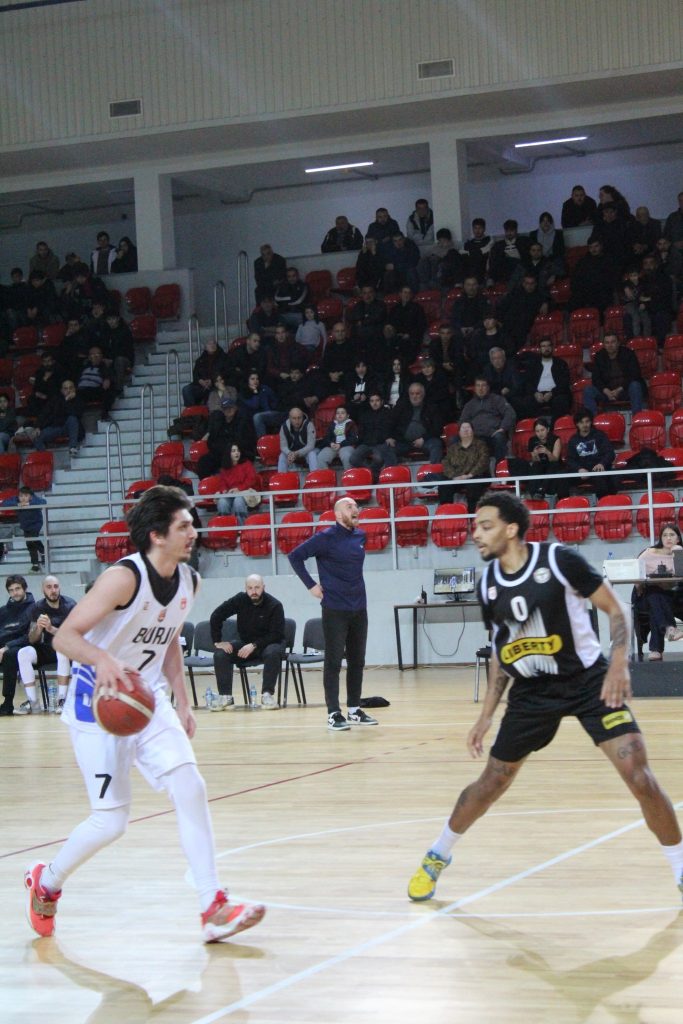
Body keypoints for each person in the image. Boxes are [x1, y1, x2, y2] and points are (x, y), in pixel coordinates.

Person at [407, 491, 683, 903]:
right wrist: (486, 715)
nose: (475, 534)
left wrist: (619, 663)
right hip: (532, 691)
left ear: (511, 529)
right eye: (475, 527)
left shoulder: (558, 561)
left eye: (485, 526)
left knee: (639, 776)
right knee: (492, 781)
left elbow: (616, 610)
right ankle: (437, 854)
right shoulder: (488, 585)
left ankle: (680, 868)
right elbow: (501, 652)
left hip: (588, 682)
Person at [24, 485, 265, 941]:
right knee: (110, 822)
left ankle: (212, 905)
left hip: (147, 698)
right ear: (157, 535)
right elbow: (66, 637)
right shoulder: (123, 578)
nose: (193, 532)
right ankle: (47, 882)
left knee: (190, 786)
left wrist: (183, 699)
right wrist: (103, 660)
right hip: (97, 704)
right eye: (184, 525)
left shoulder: (189, 581)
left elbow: (168, 637)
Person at [289, 497, 378, 731]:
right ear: (338, 514)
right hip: (335, 608)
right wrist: (311, 585)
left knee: (357, 660)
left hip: (359, 607)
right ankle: (333, 713)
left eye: (356, 506)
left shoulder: (360, 536)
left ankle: (354, 709)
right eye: (350, 507)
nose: (355, 509)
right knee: (333, 661)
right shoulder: (325, 538)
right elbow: (295, 557)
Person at [209, 574, 285, 709]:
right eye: (250, 588)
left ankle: (267, 695)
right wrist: (218, 641)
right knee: (220, 654)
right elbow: (216, 615)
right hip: (245, 644)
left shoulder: (275, 605)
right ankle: (225, 696)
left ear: (263, 587)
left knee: (273, 652)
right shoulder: (240, 599)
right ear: (246, 588)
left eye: (257, 587)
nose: (254, 591)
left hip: (267, 645)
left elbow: (276, 635)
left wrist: (254, 645)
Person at [15, 574, 76, 714]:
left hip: (68, 648)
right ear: (43, 590)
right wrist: (38, 628)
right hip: (47, 648)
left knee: (61, 649)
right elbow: (32, 639)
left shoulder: (70, 605)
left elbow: (73, 635)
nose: (53, 590)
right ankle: (33, 702)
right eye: (49, 587)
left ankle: (62, 699)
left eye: (56, 586)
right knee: (23, 653)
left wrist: (51, 628)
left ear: (59, 588)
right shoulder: (37, 607)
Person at [634, 523, 683, 662]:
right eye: (665, 535)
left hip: (672, 597)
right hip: (646, 596)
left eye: (672, 535)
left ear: (678, 538)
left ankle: (656, 649)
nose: (668, 538)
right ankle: (669, 629)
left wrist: (678, 553)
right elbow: (636, 574)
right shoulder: (649, 553)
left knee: (657, 604)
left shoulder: (680, 553)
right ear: (660, 538)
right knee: (654, 593)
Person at [423, 421, 490, 512]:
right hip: (457, 476)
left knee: (474, 486)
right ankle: (447, 513)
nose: (466, 430)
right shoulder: (453, 447)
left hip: (475, 475)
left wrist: (469, 475)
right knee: (445, 485)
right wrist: (454, 476)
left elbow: (483, 462)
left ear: (473, 431)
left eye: (468, 428)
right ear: (459, 432)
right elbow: (446, 463)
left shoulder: (481, 445)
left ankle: (472, 514)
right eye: (463, 428)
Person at [582, 333, 645, 415]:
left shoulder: (628, 353)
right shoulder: (599, 356)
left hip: (624, 390)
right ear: (604, 345)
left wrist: (618, 390)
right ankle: (591, 420)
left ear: (618, 343)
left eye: (613, 342)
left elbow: (635, 375)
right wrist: (606, 391)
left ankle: (637, 418)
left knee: (635, 385)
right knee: (588, 390)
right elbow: (596, 379)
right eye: (607, 343)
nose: (610, 345)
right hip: (608, 392)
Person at [0, 575, 36, 717]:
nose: (15, 593)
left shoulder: (35, 608)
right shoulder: (3, 611)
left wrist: (6, 647)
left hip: (22, 646)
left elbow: (29, 637)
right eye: (11, 590)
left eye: (18, 589)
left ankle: (7, 703)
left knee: (10, 655)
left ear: (24, 588)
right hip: (3, 646)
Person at [565, 407, 616, 500]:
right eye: (581, 422)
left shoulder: (600, 435)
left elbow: (610, 453)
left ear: (591, 422)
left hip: (597, 470)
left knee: (603, 482)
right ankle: (566, 505)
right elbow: (569, 459)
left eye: (587, 421)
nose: (585, 425)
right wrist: (579, 469)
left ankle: (603, 505)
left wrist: (602, 463)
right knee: (562, 480)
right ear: (577, 424)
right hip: (581, 472)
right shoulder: (573, 440)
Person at [1, 487, 47, 572]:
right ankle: (35, 563)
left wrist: (29, 504)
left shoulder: (35, 499)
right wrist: (17, 504)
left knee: (32, 540)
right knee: (29, 544)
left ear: (30, 496)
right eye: (21, 496)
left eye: (26, 496)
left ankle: (42, 553)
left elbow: (44, 502)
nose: (23, 498)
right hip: (25, 526)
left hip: (36, 524)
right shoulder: (16, 500)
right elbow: (4, 503)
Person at [215, 443, 260, 524]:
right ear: (228, 453)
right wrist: (224, 490)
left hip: (245, 492)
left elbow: (251, 480)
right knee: (222, 502)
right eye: (233, 451)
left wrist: (239, 489)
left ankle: (241, 527)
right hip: (230, 494)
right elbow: (222, 483)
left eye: (238, 451)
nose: (237, 453)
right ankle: (226, 527)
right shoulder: (224, 468)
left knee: (238, 501)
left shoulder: (247, 464)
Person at [316, 405, 358, 470]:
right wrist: (331, 443)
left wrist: (340, 444)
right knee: (321, 457)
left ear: (347, 416)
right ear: (335, 416)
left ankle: (348, 475)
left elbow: (353, 439)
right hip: (333, 446)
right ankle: (326, 475)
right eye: (338, 413)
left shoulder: (351, 424)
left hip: (346, 446)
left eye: (342, 413)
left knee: (346, 456)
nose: (340, 415)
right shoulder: (332, 424)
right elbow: (327, 437)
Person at [277, 406, 317, 474]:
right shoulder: (284, 427)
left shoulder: (309, 425)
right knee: (282, 456)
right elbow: (283, 446)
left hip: (305, 452)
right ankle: (281, 478)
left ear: (302, 417)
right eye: (294, 418)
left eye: (299, 418)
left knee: (312, 454)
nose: (297, 421)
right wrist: (290, 453)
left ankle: (315, 476)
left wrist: (297, 453)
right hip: (291, 453)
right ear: (290, 418)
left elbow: (311, 446)